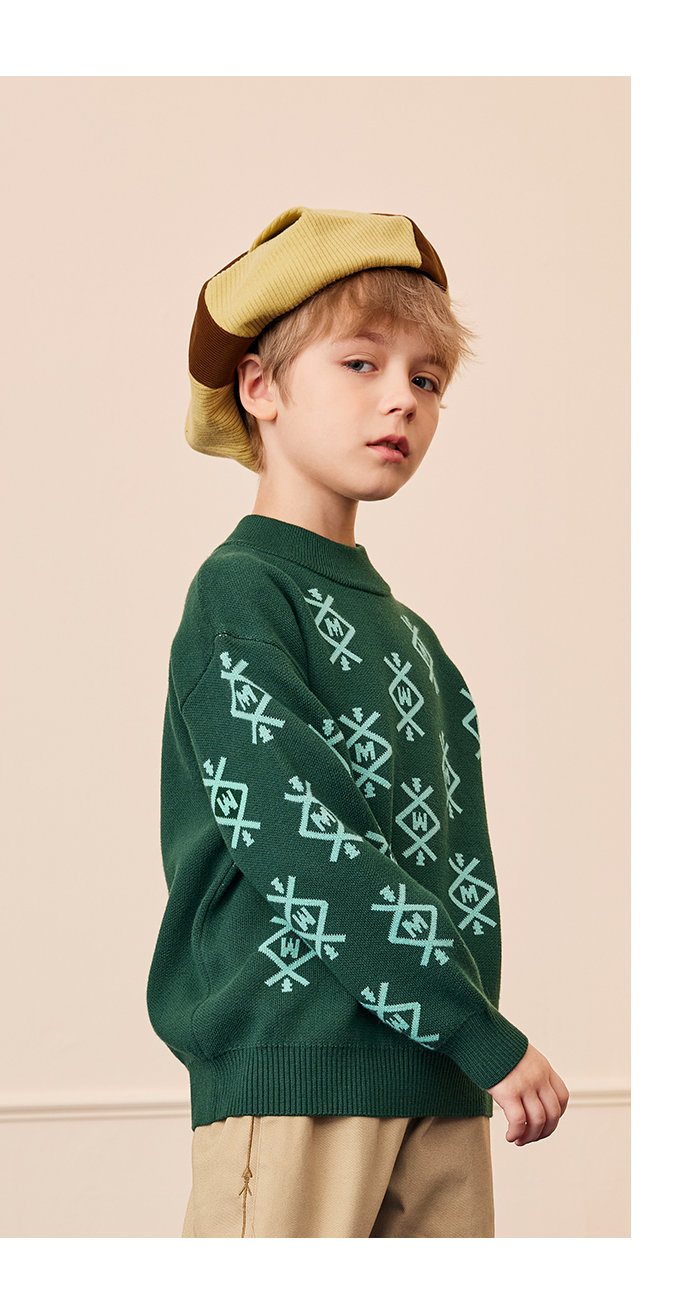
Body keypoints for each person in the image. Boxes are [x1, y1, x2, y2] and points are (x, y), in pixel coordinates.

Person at [146, 207, 569, 1239]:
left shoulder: (418, 641)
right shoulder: (240, 595)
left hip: (441, 1079)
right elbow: (304, 842)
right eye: (361, 363)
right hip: (297, 1075)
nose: (401, 399)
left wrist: (464, 1040)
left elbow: (457, 869)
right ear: (260, 388)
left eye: (427, 378)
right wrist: (479, 1030)